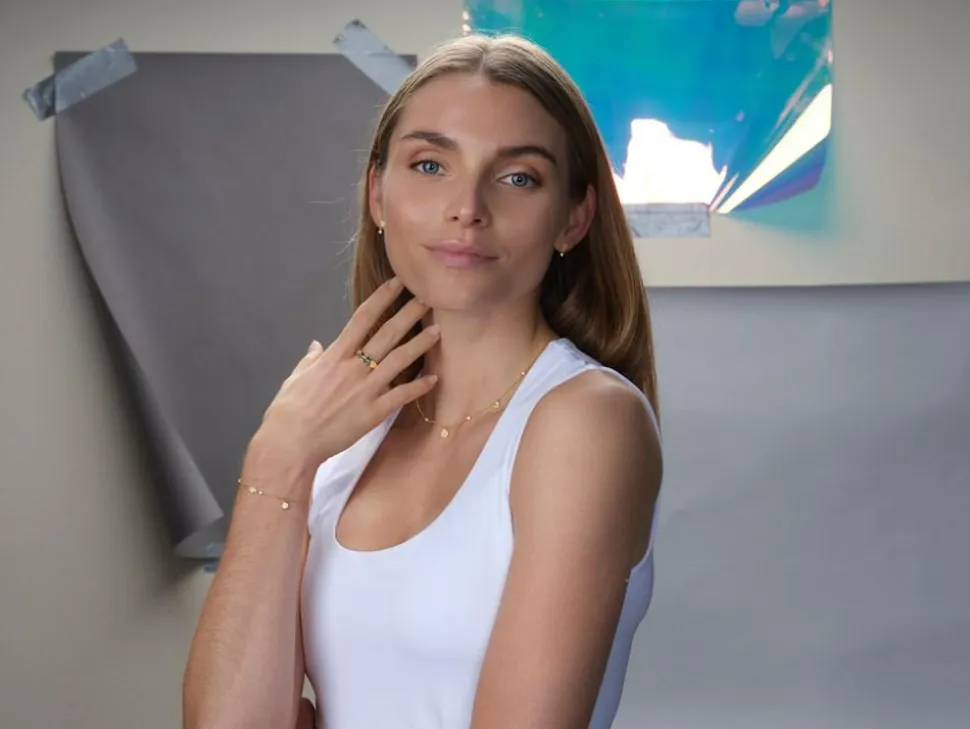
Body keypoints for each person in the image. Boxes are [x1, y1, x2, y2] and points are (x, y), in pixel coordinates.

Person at [183, 32, 663, 729]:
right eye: (431, 164)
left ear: (574, 217)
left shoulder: (588, 421)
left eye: (518, 177)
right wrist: (277, 460)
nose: (467, 207)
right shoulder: (340, 433)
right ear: (378, 195)